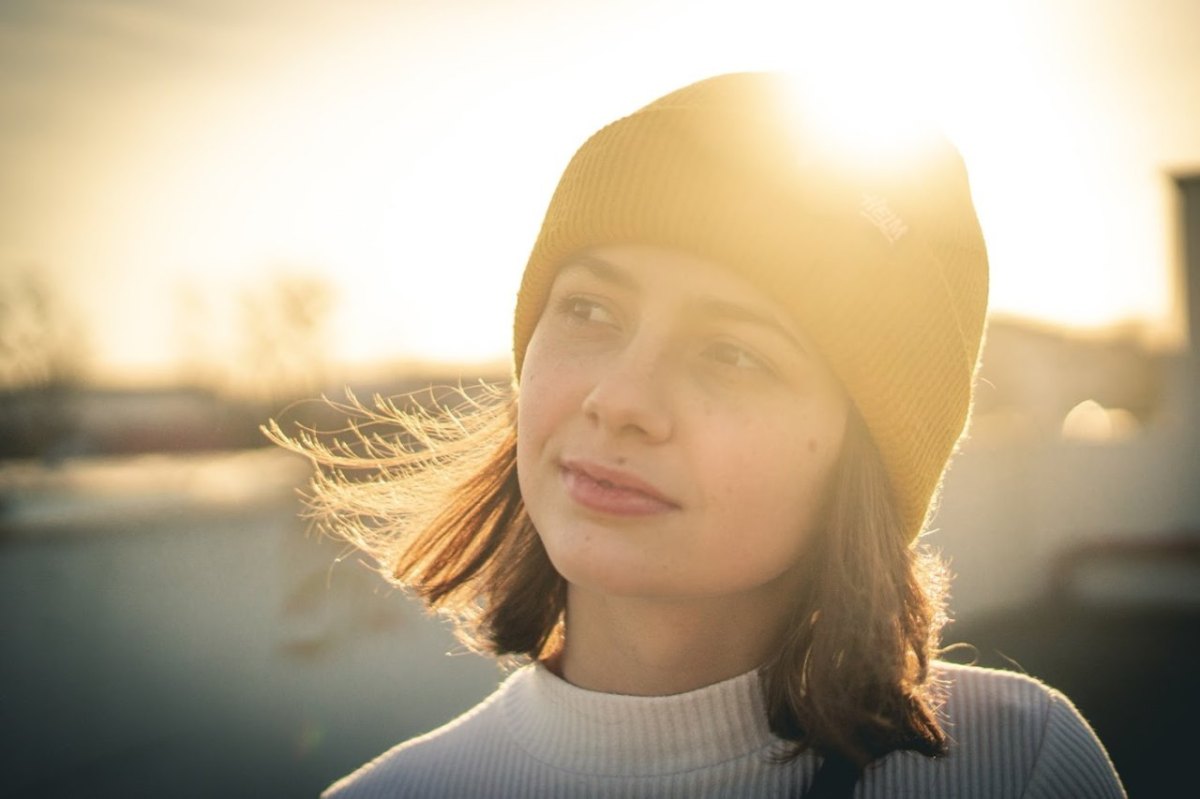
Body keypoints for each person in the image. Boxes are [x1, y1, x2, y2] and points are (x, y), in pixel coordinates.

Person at [271, 72, 1126, 798]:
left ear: (862, 454)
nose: (620, 399)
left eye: (733, 353)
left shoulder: (1012, 763)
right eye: (590, 309)